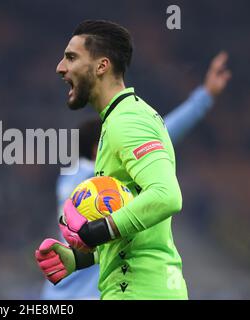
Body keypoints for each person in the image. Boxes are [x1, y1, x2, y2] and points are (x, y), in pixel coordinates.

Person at [35, 20, 231, 300]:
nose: (60, 67)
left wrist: (99, 230)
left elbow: (166, 196)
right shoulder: (121, 122)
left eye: (71, 57)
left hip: (139, 292)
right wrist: (77, 260)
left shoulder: (127, 121)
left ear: (102, 66)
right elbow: (133, 233)